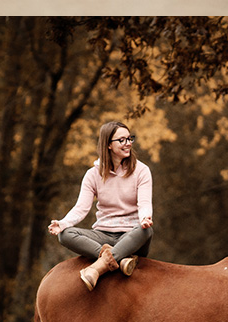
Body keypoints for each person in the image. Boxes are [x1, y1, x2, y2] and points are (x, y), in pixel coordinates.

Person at [48, 120, 154, 290]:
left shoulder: (141, 171)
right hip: (103, 234)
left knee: (146, 231)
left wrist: (144, 219)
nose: (128, 144)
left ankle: (100, 266)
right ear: (108, 145)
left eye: (129, 139)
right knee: (65, 234)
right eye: (121, 140)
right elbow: (81, 208)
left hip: (131, 235)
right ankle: (120, 258)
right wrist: (62, 223)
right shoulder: (93, 174)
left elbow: (144, 204)